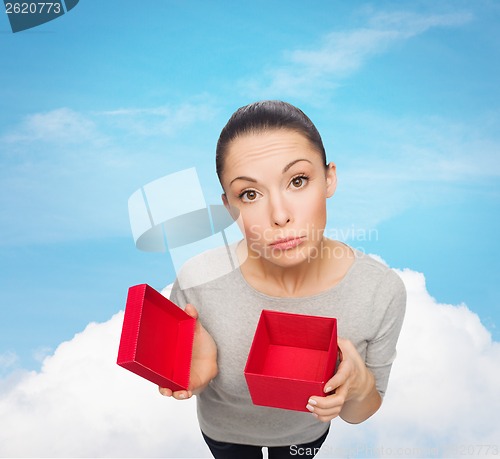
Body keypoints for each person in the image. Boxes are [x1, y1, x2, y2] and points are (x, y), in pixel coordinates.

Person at [159, 100, 406, 459]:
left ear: (329, 179)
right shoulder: (198, 280)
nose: (279, 215)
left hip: (303, 436)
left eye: (298, 181)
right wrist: (187, 374)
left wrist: (358, 386)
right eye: (250, 194)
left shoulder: (380, 292)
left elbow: (361, 412)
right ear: (229, 206)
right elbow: (181, 367)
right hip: (223, 432)